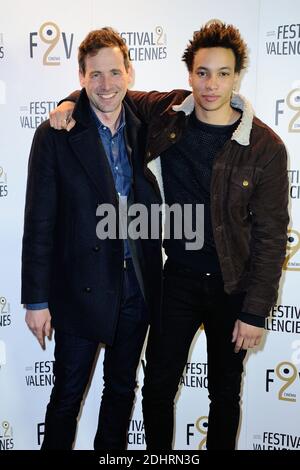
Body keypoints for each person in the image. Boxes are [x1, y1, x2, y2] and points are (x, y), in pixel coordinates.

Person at [50, 22, 289, 450]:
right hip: (175, 278)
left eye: (222, 73)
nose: (211, 84)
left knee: (224, 394)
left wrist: (255, 312)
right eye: (202, 72)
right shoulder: (167, 113)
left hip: (233, 286)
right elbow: (106, 89)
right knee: (157, 388)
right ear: (189, 75)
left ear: (237, 76)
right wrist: (68, 100)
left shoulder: (265, 147)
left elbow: (272, 236)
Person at [21, 27, 162, 450]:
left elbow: (195, 101)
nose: (106, 84)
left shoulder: (145, 126)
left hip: (135, 286)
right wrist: (36, 300)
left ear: (129, 73)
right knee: (67, 397)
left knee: (121, 391)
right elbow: (39, 222)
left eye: (114, 72)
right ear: (81, 77)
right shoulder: (56, 134)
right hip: (78, 288)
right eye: (95, 75)